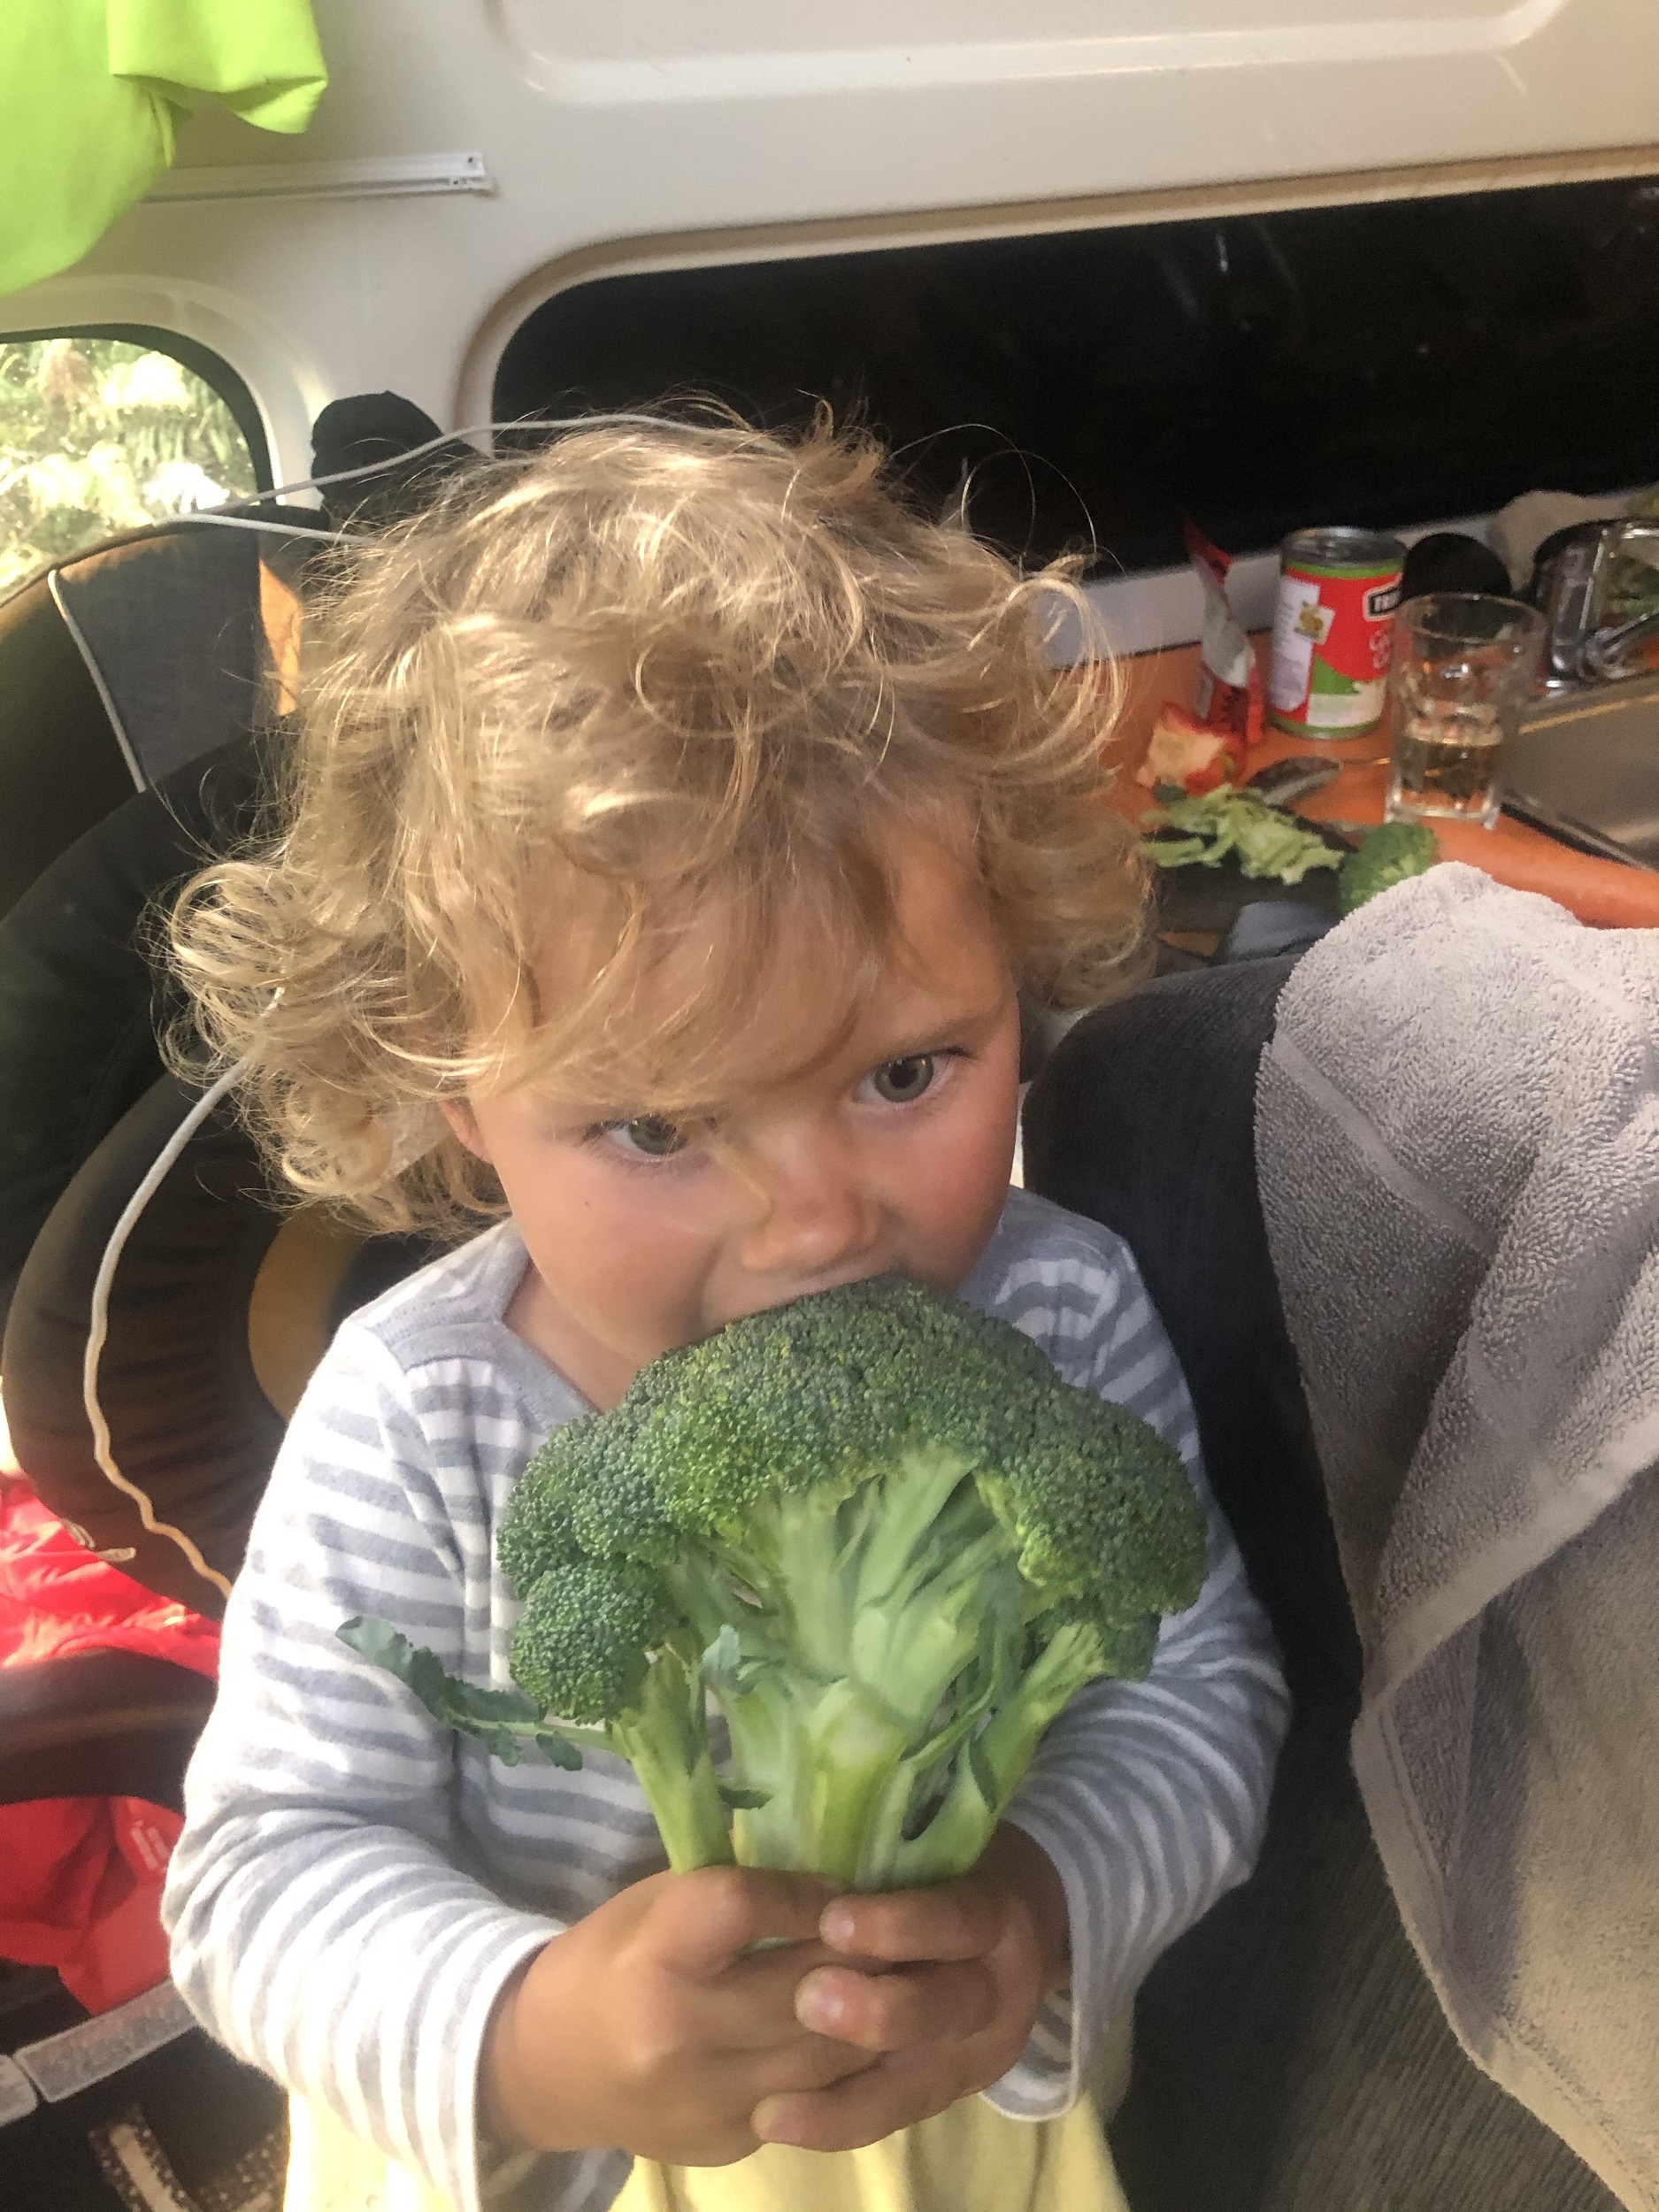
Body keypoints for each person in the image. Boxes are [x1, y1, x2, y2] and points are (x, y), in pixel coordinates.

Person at [158, 414, 1289, 2212]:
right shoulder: (413, 1413)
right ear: (459, 1096)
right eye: (661, 1124)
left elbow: (1195, 1700)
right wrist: (529, 2022)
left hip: (953, 2138)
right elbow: (257, 1879)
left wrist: (1033, 1904)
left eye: (908, 1067)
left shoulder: (1059, 1306)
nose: (817, 1216)